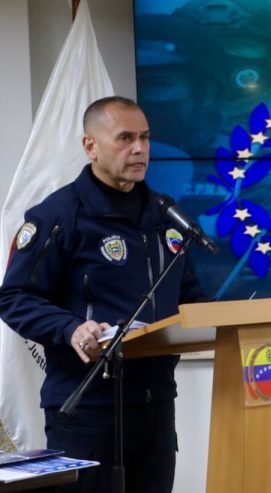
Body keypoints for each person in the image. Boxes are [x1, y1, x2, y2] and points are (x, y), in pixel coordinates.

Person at [0, 96, 206, 492]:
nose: (139, 148)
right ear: (90, 146)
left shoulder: (165, 216)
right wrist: (71, 329)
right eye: (125, 138)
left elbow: (190, 297)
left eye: (145, 137)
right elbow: (15, 297)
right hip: (87, 407)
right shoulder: (58, 215)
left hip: (156, 403)